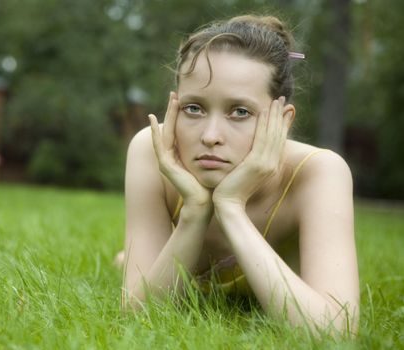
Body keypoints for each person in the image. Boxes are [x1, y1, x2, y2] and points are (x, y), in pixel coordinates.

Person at [119, 15, 359, 334]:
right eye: (194, 108)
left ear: (282, 121)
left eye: (240, 112)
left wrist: (231, 206)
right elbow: (136, 317)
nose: (211, 135)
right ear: (173, 107)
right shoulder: (151, 150)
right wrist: (194, 212)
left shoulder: (318, 173)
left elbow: (335, 331)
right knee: (128, 262)